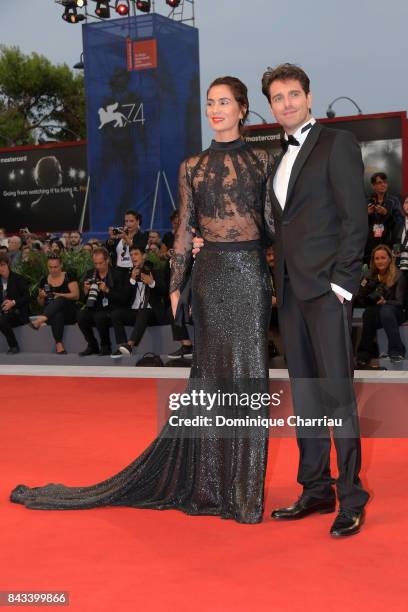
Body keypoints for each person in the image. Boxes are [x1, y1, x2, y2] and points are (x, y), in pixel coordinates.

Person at [10, 76, 274, 525]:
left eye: (224, 102)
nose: (215, 109)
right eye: (210, 102)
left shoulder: (264, 160)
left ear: (244, 109)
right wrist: (176, 286)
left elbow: (271, 223)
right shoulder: (192, 166)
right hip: (209, 279)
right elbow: (185, 229)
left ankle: (242, 490)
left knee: (249, 376)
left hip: (250, 276)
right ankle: (208, 482)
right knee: (208, 380)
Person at [194, 63, 369, 537]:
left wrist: (343, 284)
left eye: (294, 94)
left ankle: (352, 496)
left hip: (327, 292)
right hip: (289, 293)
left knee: (336, 395)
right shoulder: (276, 157)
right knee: (308, 394)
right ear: (270, 106)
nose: (287, 103)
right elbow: (272, 224)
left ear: (309, 97)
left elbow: (357, 219)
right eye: (278, 97)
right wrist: (204, 241)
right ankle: (316, 487)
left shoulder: (338, 144)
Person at [110, 246, 169, 357]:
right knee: (116, 314)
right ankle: (123, 346)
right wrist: (132, 280)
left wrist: (152, 283)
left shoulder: (155, 272)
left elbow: (165, 292)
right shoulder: (128, 275)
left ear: (144, 256)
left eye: (136, 254)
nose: (133, 257)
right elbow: (123, 299)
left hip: (152, 313)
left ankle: (130, 345)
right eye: (131, 255)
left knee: (143, 311)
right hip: (135, 312)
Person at [356, 245, 407, 366]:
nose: (380, 261)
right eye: (377, 258)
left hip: (397, 312)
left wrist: (385, 302)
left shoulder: (398, 275)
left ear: (390, 258)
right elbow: (362, 300)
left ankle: (397, 351)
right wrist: (364, 286)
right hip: (380, 311)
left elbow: (400, 302)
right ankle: (365, 354)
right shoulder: (370, 276)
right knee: (368, 313)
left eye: (383, 258)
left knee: (386, 310)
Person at [77, 247, 130, 356]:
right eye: (95, 263)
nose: (98, 266)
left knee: (99, 316)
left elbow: (123, 298)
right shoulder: (90, 273)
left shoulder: (118, 274)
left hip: (112, 309)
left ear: (107, 260)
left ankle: (106, 346)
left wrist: (107, 290)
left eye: (100, 263)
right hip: (94, 308)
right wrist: (86, 291)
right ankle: (92, 345)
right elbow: (84, 300)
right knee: (81, 316)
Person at [30, 254, 79, 355]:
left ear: (61, 265)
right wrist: (41, 297)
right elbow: (41, 303)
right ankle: (59, 345)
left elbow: (76, 295)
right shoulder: (44, 280)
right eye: (50, 267)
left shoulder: (68, 276)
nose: (53, 270)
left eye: (56, 267)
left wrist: (60, 295)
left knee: (60, 299)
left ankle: (41, 319)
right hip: (52, 315)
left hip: (69, 313)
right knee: (57, 314)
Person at [0, 253, 30, 354]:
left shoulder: (18, 279)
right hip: (3, 313)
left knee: (1, 320)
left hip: (18, 313)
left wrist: (13, 302)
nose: (0, 268)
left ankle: (13, 346)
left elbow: (27, 297)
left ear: (8, 264)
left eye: (2, 265)